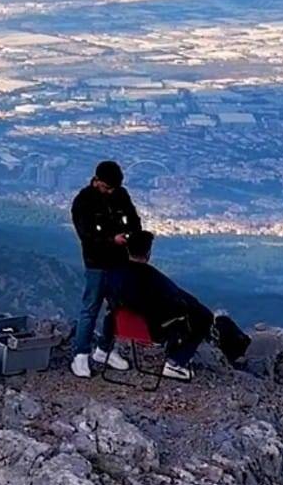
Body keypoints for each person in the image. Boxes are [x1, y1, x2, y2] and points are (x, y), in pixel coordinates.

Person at [104, 230, 250, 380]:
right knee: (203, 319)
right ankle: (175, 363)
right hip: (154, 329)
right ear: (148, 253)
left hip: (125, 327)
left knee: (199, 317)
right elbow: (177, 298)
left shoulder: (115, 273)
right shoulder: (151, 277)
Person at [70, 159, 143, 378]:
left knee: (117, 307)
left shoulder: (121, 195)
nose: (110, 192)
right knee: (90, 307)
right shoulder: (84, 202)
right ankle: (80, 354)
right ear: (97, 181)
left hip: (119, 262)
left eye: (113, 188)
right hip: (97, 263)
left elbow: (134, 220)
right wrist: (112, 239)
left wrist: (131, 237)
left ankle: (105, 348)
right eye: (107, 187)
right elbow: (87, 236)